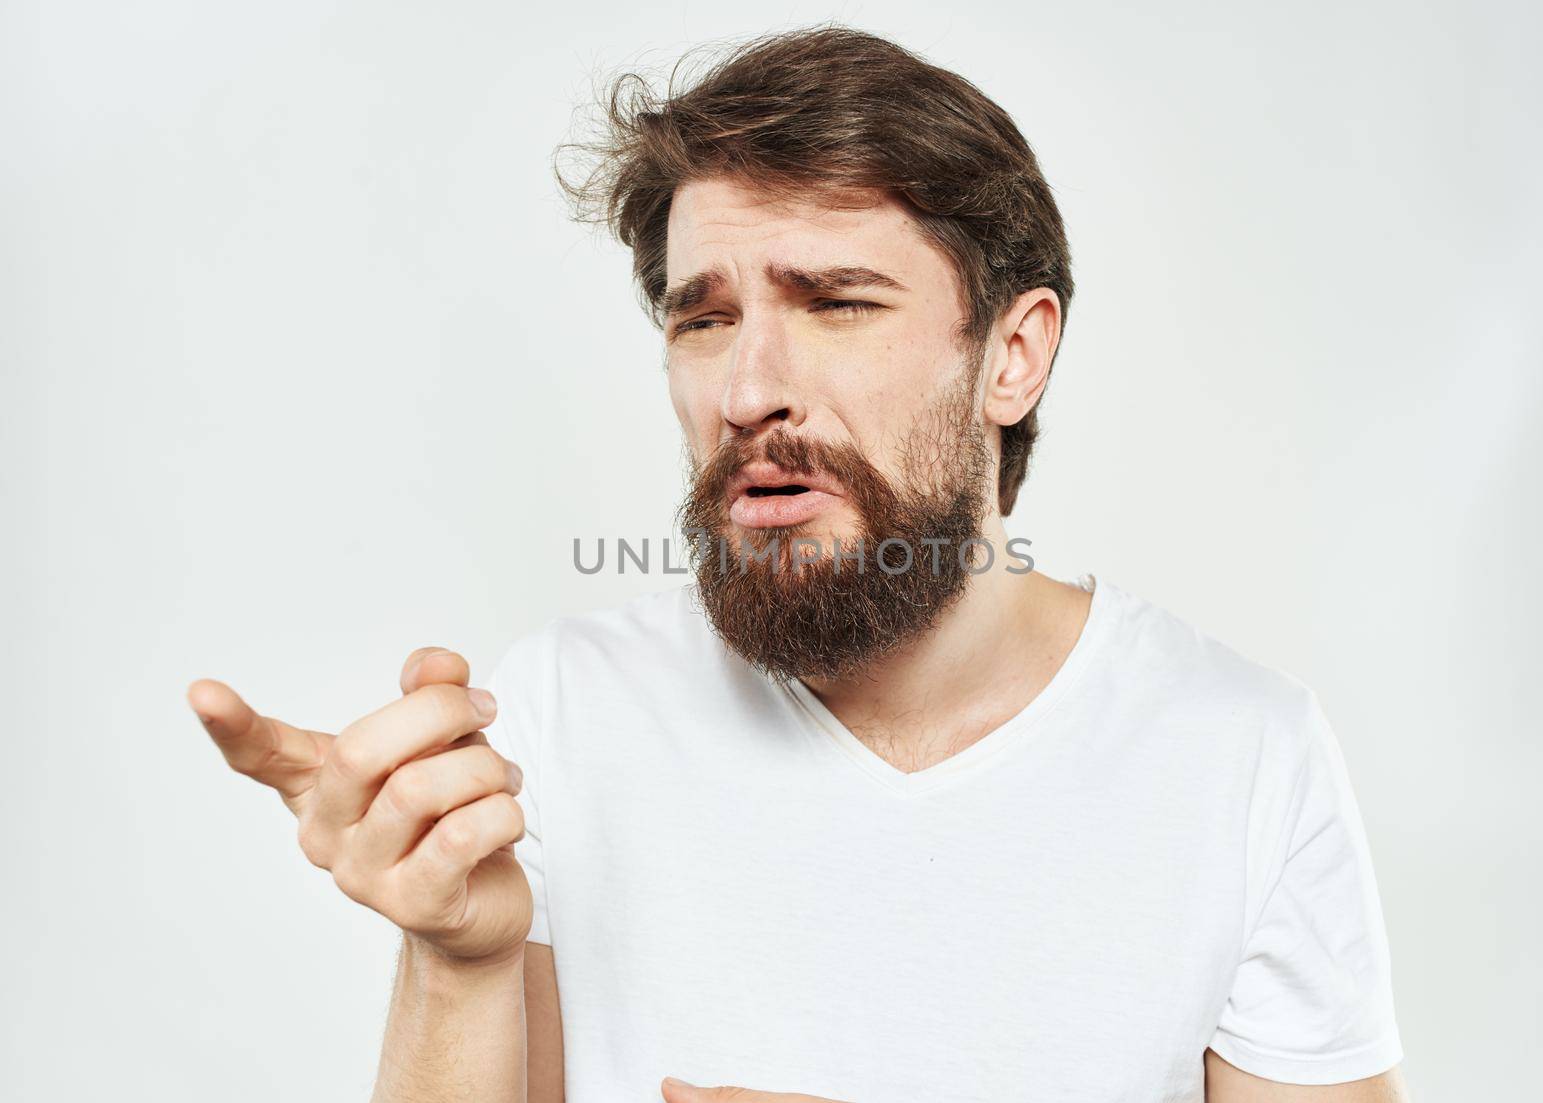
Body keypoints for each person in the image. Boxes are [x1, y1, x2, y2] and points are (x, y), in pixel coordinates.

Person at [188, 26, 1407, 1103]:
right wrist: (458, 962)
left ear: (1013, 356)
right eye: (702, 316)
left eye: (835, 300)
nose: (748, 390)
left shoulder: (1238, 756)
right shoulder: (556, 719)